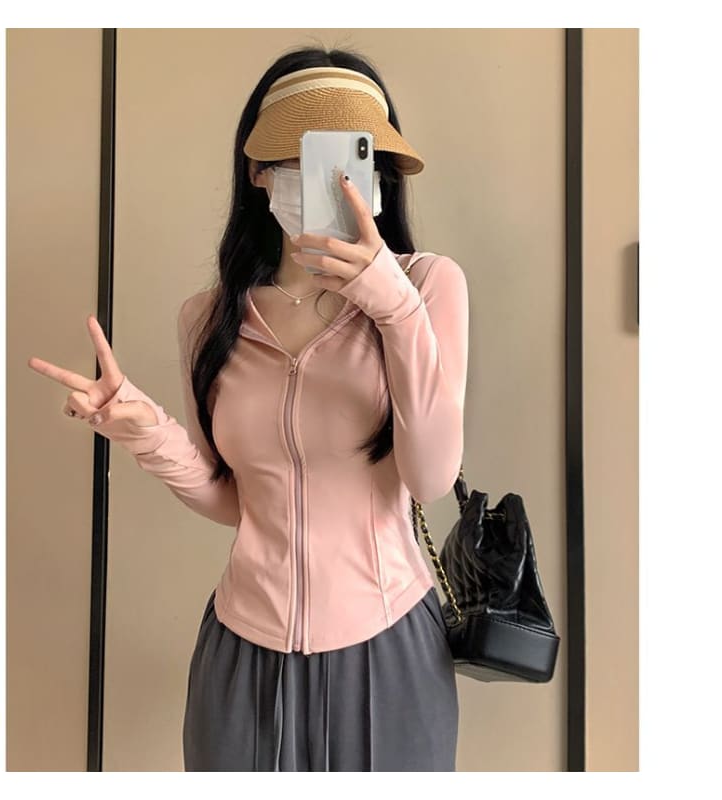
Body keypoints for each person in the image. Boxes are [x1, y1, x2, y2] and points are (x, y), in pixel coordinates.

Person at [29, 46, 469, 771]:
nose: (334, 182)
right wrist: (147, 434)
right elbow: (237, 500)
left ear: (378, 172)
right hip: (240, 655)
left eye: (354, 158)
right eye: (306, 158)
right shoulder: (208, 320)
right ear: (260, 171)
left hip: (389, 648)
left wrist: (392, 307)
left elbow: (430, 477)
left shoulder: (427, 287)